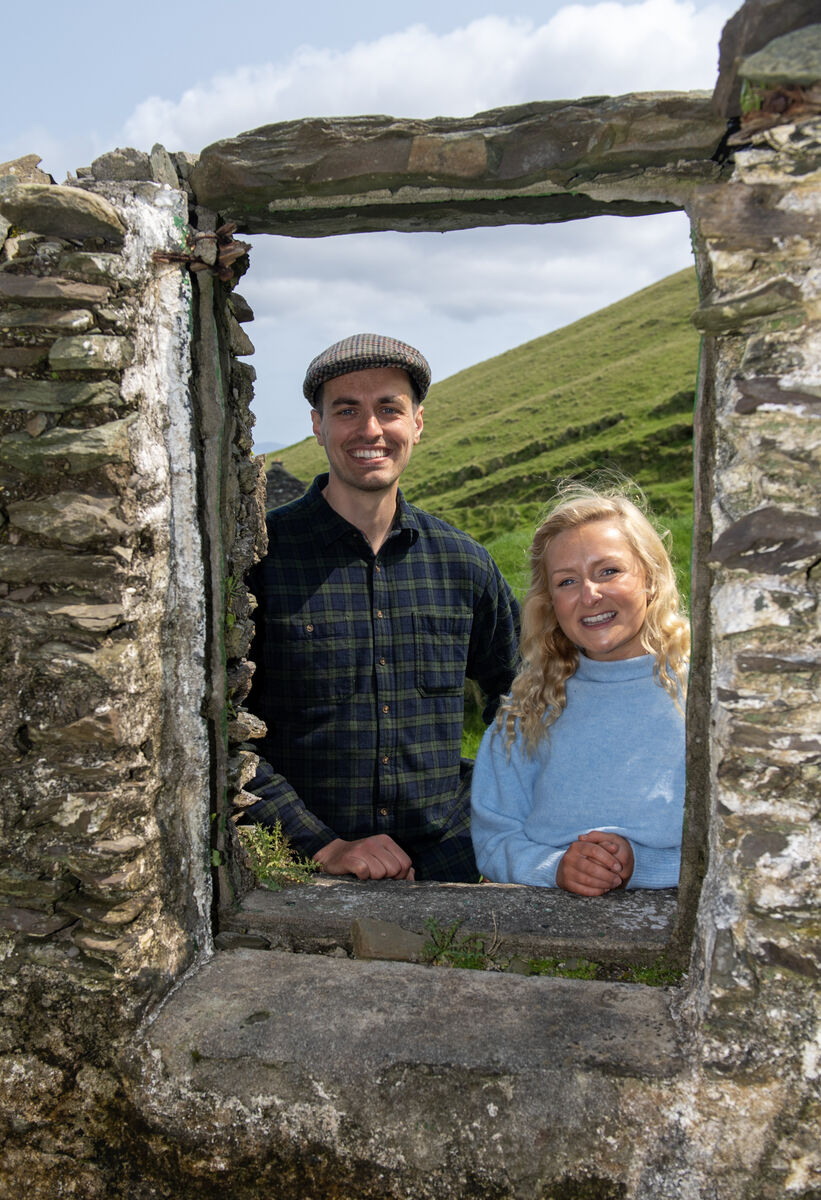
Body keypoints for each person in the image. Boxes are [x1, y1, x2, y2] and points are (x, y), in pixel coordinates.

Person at [242, 333, 520, 883]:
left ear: (417, 422)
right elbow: (224, 725)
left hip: (452, 866)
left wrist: (499, 806)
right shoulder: (260, 562)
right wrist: (322, 845)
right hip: (303, 876)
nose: (370, 429)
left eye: (389, 409)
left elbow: (524, 695)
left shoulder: (464, 563)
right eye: (347, 410)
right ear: (318, 425)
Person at [470, 483, 690, 894]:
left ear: (651, 578)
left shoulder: (706, 697)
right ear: (550, 602)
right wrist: (555, 868)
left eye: (609, 571)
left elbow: (747, 834)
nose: (589, 595)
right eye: (567, 581)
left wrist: (641, 865)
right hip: (549, 927)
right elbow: (494, 838)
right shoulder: (527, 708)